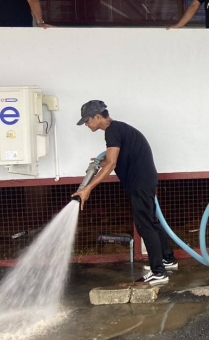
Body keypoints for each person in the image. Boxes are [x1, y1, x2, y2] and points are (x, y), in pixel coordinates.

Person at [72, 100, 177, 286]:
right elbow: (116, 160)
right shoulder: (119, 129)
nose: (86, 124)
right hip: (144, 181)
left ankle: (158, 272)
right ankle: (168, 259)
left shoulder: (112, 131)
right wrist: (100, 163)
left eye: (87, 120)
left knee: (145, 225)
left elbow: (112, 163)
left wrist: (88, 188)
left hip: (140, 183)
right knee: (151, 222)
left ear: (98, 117)